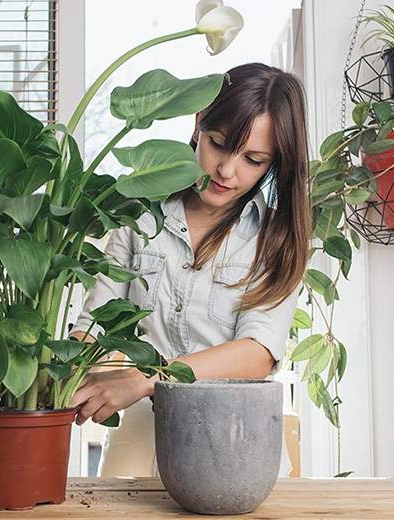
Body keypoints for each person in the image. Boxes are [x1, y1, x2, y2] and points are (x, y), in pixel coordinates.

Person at [69, 62, 312, 478]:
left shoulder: (275, 237)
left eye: (253, 160)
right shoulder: (140, 214)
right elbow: (97, 324)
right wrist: (60, 368)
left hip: (239, 444)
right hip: (141, 440)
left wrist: (148, 376)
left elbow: (256, 353)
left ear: (274, 163)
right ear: (199, 122)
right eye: (218, 144)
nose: (227, 171)